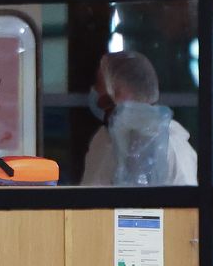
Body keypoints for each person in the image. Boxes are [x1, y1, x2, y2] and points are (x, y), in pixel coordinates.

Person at [81, 51, 197, 186]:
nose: (95, 90)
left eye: (98, 83)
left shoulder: (171, 145)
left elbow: (186, 205)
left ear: (120, 91)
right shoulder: (102, 139)